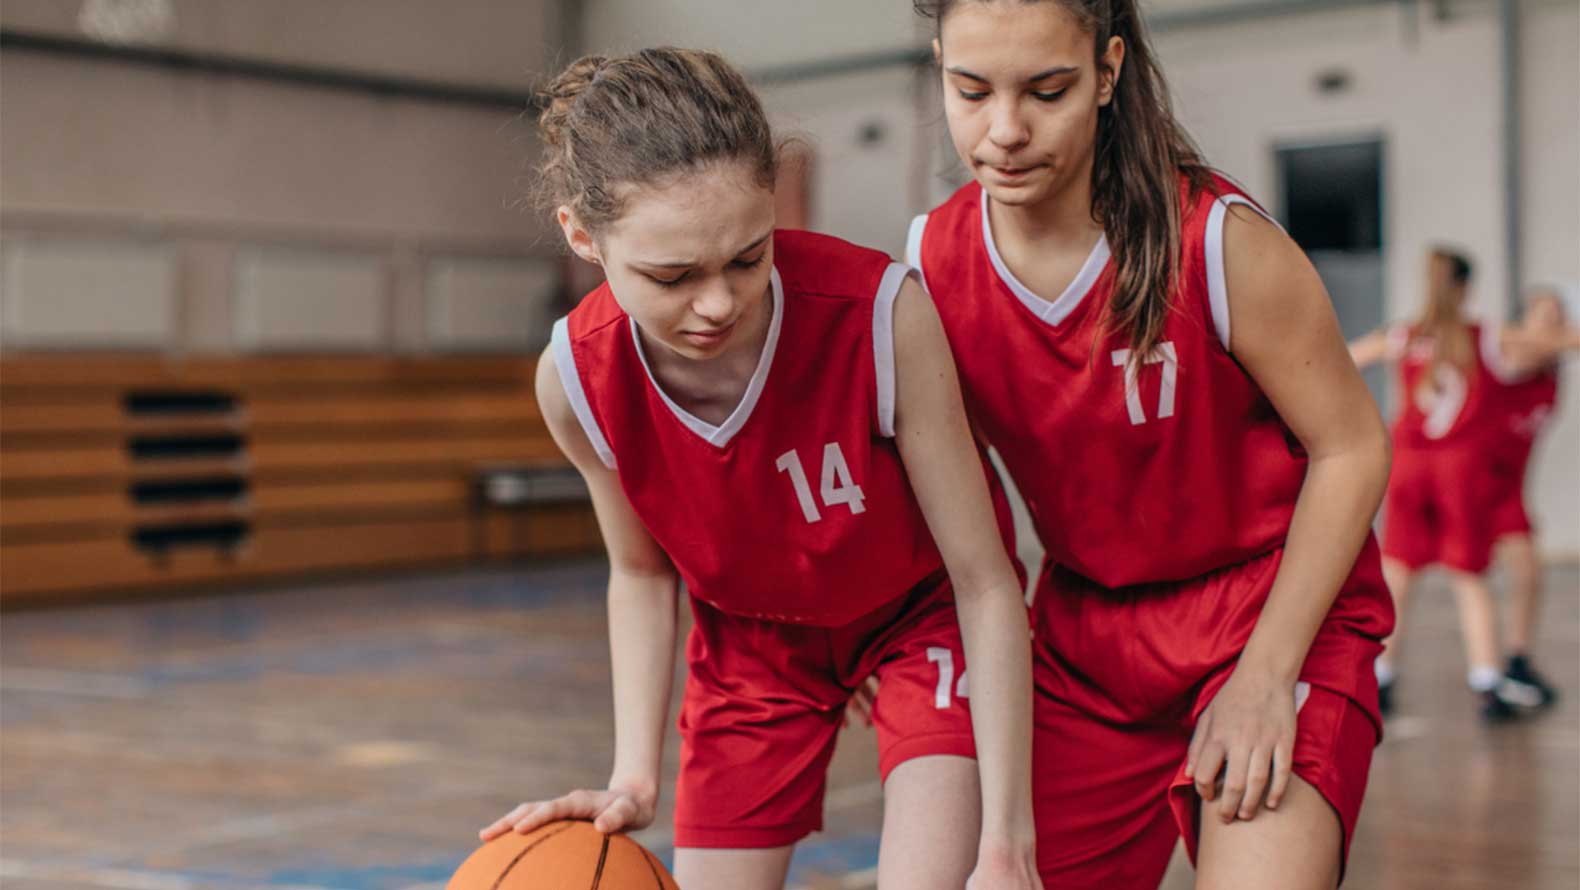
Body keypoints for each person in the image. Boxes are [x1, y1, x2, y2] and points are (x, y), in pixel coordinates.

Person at [480, 48, 1040, 890]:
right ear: (582, 237)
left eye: (748, 257)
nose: (717, 303)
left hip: (919, 615)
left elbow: (987, 581)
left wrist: (1006, 842)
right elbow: (639, 574)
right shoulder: (574, 380)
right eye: (672, 275)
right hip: (752, 645)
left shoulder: (882, 318)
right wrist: (635, 776)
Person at [904, 1, 1395, 886]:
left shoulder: (1215, 239)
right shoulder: (932, 263)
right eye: (970, 89)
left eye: (1046, 90)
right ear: (939, 63)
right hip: (1086, 638)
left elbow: (1352, 447)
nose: (1004, 130)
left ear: (1107, 70)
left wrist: (1263, 676)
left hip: (1270, 610)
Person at [1351, 271, 1579, 718]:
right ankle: (1485, 678)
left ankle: (1507, 663)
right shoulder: (1489, 340)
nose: (1544, 330)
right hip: (1460, 475)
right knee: (1457, 575)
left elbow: (1356, 353)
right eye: (1539, 317)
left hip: (1460, 476)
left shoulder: (1425, 335)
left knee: (1514, 567)